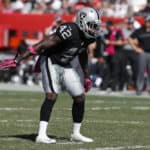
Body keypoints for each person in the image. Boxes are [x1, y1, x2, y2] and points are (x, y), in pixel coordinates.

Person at [3, 7, 101, 143]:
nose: (94, 29)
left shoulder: (89, 38)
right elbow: (42, 44)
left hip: (65, 64)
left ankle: (76, 133)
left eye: (95, 26)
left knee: (79, 97)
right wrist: (18, 60)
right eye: (91, 25)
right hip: (50, 60)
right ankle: (41, 135)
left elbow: (83, 54)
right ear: (82, 21)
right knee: (52, 95)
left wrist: (86, 76)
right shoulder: (70, 30)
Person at [129, 15, 150, 95]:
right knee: (141, 72)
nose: (149, 23)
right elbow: (130, 39)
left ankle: (149, 89)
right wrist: (136, 48)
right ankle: (139, 89)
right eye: (148, 21)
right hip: (143, 53)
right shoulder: (140, 30)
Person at [122, 17, 138, 90]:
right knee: (123, 68)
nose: (130, 25)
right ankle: (123, 84)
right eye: (129, 23)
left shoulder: (136, 31)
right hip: (124, 50)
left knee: (135, 69)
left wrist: (128, 41)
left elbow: (137, 41)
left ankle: (135, 85)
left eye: (131, 23)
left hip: (133, 50)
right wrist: (131, 41)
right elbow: (122, 42)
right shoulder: (123, 31)